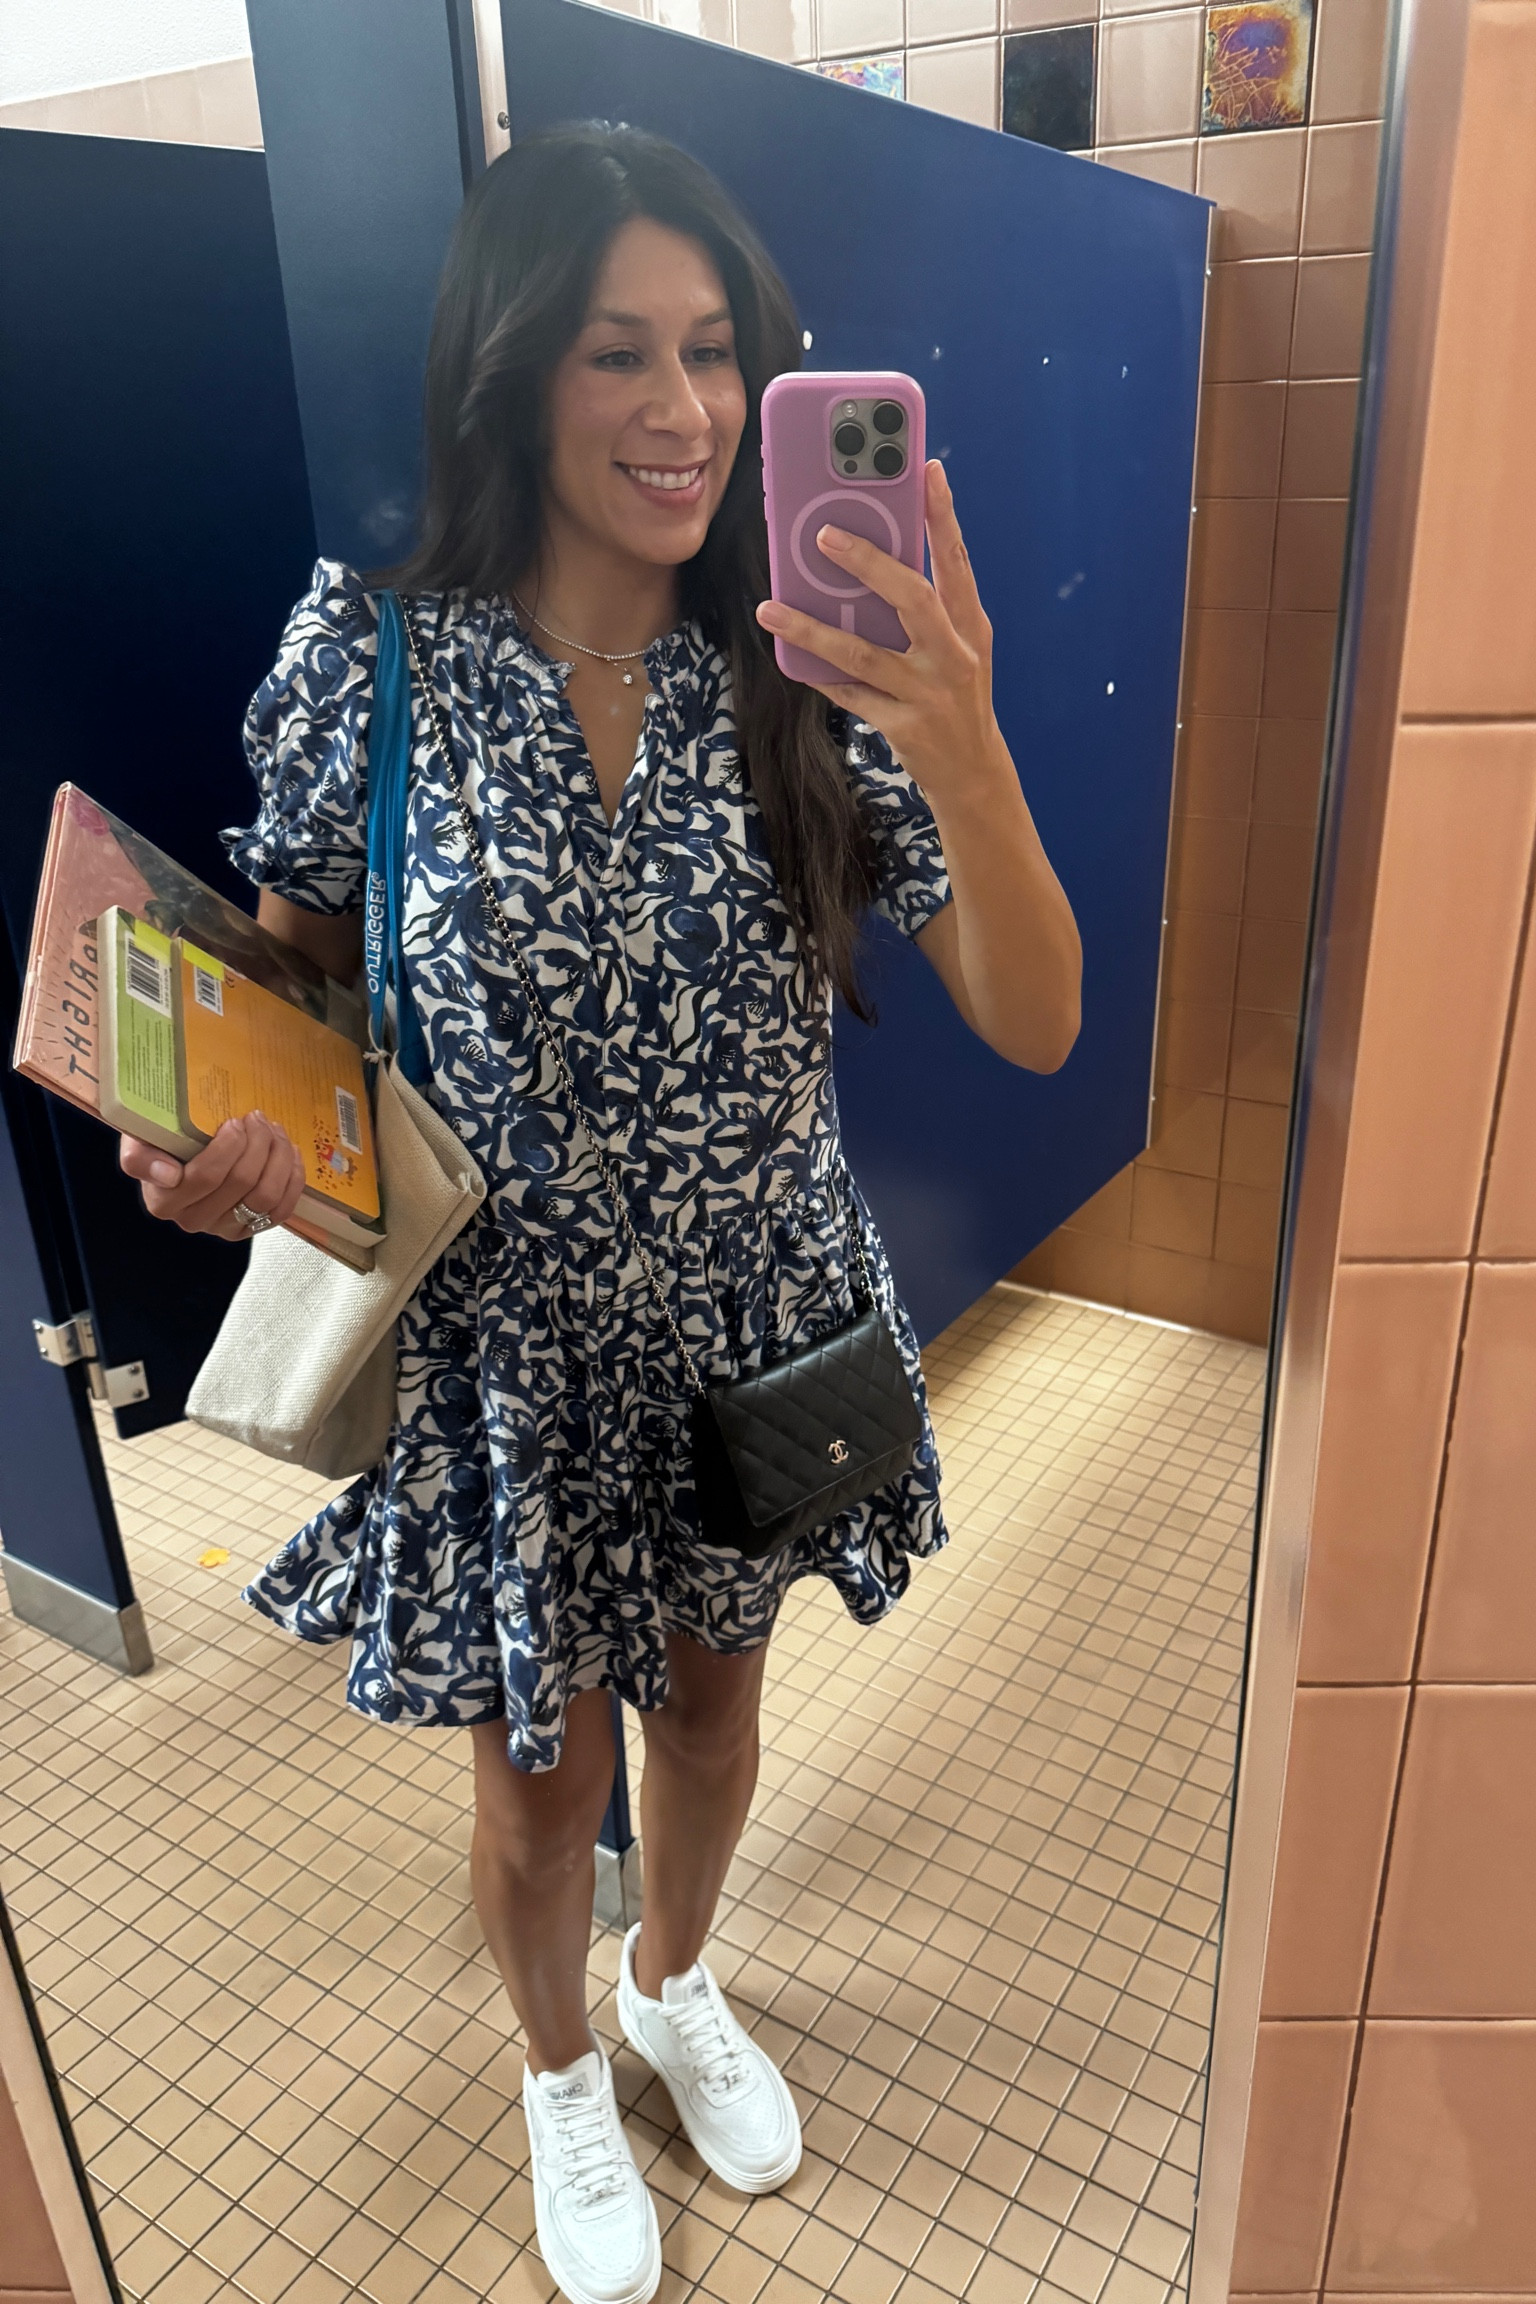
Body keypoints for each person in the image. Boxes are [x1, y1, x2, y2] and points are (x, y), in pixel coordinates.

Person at [120, 124, 1080, 2304]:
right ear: (511, 372)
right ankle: (560, 2071)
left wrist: (978, 736)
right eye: (617, 353)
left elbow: (1036, 1019)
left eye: (718, 353)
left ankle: (673, 1983)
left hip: (766, 1313)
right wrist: (219, 1147)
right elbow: (285, 1006)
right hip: (511, 1346)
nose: (681, 411)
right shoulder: (376, 653)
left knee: (719, 1726)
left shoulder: (817, 659)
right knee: (543, 1785)